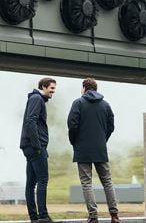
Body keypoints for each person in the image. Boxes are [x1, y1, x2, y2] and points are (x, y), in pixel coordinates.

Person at [67, 78, 121, 223]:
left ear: (84, 88)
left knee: (86, 183)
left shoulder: (78, 103)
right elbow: (111, 126)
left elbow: (72, 125)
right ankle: (114, 215)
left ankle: (93, 216)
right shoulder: (105, 104)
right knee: (107, 181)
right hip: (100, 148)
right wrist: (102, 140)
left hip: (82, 148)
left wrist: (75, 142)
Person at [20, 77, 57, 223]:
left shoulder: (35, 99)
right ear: (43, 86)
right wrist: (37, 146)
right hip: (35, 147)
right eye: (51, 88)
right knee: (43, 180)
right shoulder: (37, 99)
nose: (53, 91)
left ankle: (34, 217)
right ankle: (43, 216)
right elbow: (31, 121)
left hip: (29, 146)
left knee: (31, 183)